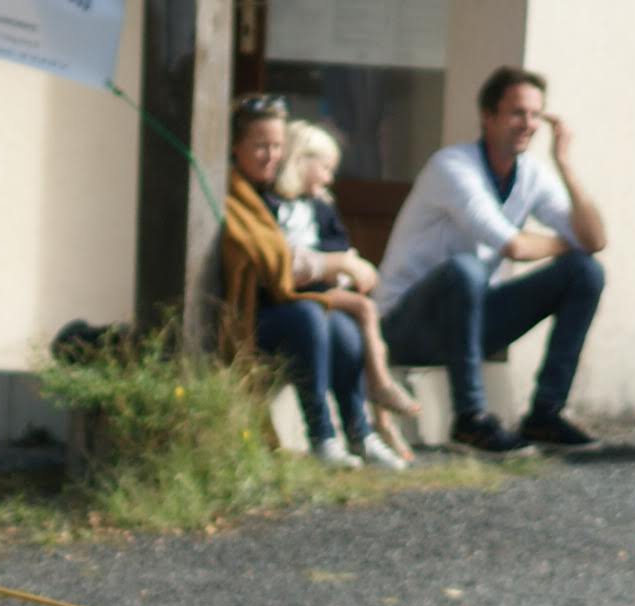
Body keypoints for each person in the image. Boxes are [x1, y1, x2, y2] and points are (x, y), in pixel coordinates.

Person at [374, 64, 608, 454]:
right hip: (406, 325)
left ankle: (545, 414)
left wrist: (565, 165)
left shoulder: (532, 173)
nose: (528, 124)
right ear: (487, 116)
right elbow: (513, 246)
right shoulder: (452, 167)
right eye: (517, 113)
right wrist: (568, 242)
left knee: (585, 272)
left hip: (470, 321)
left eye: (535, 115)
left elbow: (595, 240)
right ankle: (469, 420)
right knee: (466, 271)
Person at [219, 96, 399, 470]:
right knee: (310, 317)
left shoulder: (289, 195)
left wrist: (336, 263)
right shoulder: (234, 195)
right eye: (260, 146)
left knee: (344, 332)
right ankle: (322, 437)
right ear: (236, 147)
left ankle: (360, 432)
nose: (270, 155)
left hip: (297, 305)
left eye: (277, 146)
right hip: (255, 315)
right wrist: (334, 263)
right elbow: (272, 263)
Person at [275, 118, 422, 456]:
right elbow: (288, 260)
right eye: (324, 168)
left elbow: (339, 248)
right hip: (299, 296)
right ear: (300, 161)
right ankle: (379, 388)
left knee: (352, 330)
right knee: (365, 310)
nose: (329, 178)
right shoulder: (276, 204)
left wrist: (339, 269)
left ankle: (370, 425)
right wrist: (340, 266)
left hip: (324, 292)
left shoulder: (321, 206)